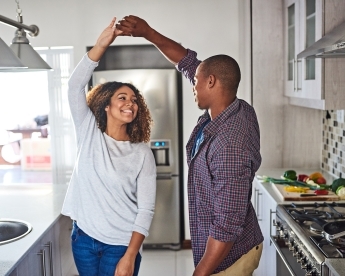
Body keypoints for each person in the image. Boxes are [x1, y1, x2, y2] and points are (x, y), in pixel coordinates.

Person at [116, 16, 263, 276]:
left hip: (228, 258)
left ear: (211, 82)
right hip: (224, 247)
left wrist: (200, 273)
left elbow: (227, 226)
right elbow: (186, 63)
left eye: (196, 81)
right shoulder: (236, 108)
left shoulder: (229, 145)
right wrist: (148, 32)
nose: (192, 84)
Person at [61, 17, 157, 276]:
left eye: (134, 100)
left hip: (121, 244)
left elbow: (146, 209)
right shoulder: (88, 131)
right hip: (83, 239)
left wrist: (130, 255)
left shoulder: (141, 153)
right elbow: (74, 86)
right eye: (122, 97)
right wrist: (102, 43)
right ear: (106, 105)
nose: (130, 103)